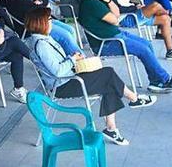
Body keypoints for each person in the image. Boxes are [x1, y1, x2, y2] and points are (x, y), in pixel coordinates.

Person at [24, 8, 156, 145]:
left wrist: (73, 59)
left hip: (69, 78)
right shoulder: (42, 45)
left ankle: (112, 128)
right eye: (49, 20)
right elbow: (57, 72)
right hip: (62, 85)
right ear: (41, 23)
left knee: (108, 81)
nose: (52, 22)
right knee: (108, 75)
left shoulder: (43, 40)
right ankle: (133, 99)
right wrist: (73, 59)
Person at [78, 0, 172, 94]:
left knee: (147, 44)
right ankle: (164, 79)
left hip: (115, 35)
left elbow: (117, 14)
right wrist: (109, 2)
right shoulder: (91, 3)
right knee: (143, 49)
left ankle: (156, 81)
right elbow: (115, 20)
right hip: (106, 43)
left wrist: (108, 0)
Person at [1, 0, 81, 55]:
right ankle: (80, 60)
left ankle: (71, 56)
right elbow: (41, 7)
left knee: (71, 29)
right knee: (66, 36)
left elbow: (40, 1)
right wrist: (41, 1)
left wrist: (39, 1)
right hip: (36, 26)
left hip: (42, 19)